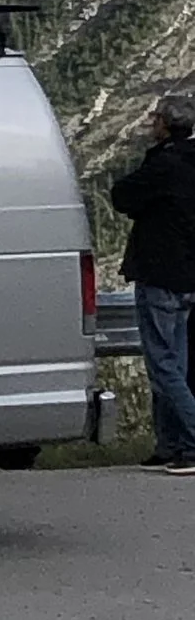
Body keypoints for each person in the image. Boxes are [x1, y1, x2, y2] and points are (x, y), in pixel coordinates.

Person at [110, 93, 195, 471]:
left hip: (160, 274)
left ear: (165, 124)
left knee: (162, 364)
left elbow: (122, 196)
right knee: (174, 361)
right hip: (188, 278)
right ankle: (170, 444)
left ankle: (190, 442)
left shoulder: (165, 165)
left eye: (155, 117)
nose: (150, 121)